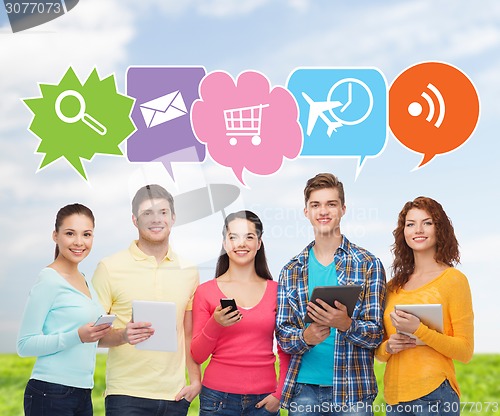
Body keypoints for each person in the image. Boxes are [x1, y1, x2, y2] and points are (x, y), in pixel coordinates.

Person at [276, 173, 386, 416]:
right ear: (306, 211)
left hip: (353, 390)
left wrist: (346, 324)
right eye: (316, 205)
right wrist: (306, 336)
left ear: (343, 209)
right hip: (304, 390)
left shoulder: (368, 264)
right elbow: (283, 335)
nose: (323, 211)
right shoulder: (291, 270)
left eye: (331, 204)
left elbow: (377, 334)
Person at [92, 184, 200, 416]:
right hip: (126, 396)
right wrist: (123, 335)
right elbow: (93, 336)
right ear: (134, 220)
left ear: (173, 218)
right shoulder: (109, 268)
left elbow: (188, 331)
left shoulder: (189, 271)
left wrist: (195, 381)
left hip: (175, 396)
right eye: (147, 213)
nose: (156, 219)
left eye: (162, 212)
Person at [375, 196, 474, 416]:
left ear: (440, 229)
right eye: (411, 224)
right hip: (394, 398)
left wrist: (419, 330)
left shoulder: (453, 280)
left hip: (435, 395)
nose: (418, 230)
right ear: (404, 233)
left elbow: (465, 351)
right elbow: (380, 352)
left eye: (427, 222)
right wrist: (389, 347)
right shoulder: (391, 287)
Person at [191, 210, 290, 415]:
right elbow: (198, 355)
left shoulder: (277, 291)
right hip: (217, 399)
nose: (241, 243)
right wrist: (216, 323)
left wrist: (280, 394)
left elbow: (285, 348)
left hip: (265, 400)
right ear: (225, 243)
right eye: (233, 237)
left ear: (259, 243)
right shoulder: (205, 291)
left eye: (249, 237)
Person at [17, 203, 111, 416]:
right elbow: (24, 344)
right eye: (70, 233)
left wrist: (124, 333)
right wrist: (76, 336)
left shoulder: (85, 281)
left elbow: (90, 338)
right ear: (55, 236)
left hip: (82, 392)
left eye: (86, 234)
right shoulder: (48, 280)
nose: (79, 242)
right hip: (50, 392)